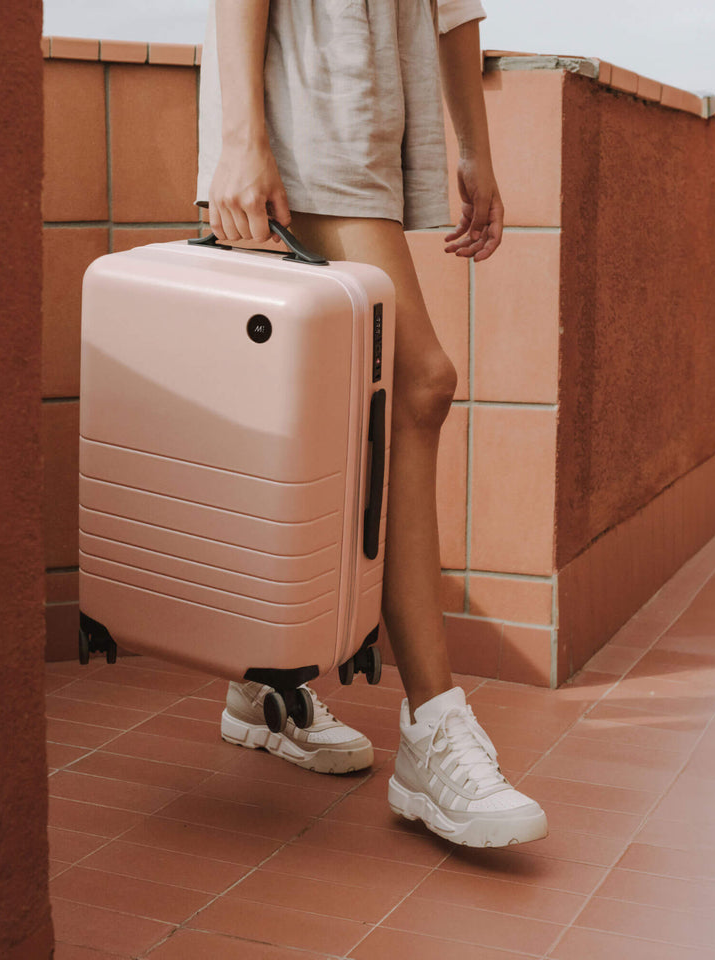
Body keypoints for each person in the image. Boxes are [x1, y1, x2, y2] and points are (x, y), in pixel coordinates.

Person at [198, 0, 547, 848]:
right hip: (302, 87)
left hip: (378, 90)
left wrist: (475, 147)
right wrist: (243, 135)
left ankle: (259, 683)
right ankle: (431, 724)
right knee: (419, 382)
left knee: (318, 395)